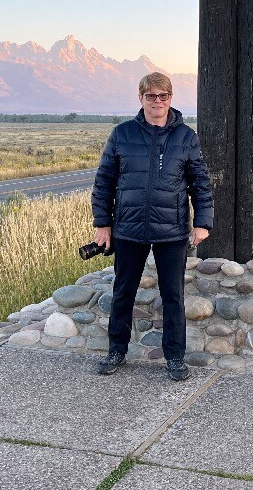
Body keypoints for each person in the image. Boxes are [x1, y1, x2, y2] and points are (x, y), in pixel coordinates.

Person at [91, 72, 213, 381]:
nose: (157, 101)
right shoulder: (122, 134)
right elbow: (103, 182)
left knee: (173, 296)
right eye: (150, 96)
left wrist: (202, 223)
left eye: (162, 96)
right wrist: (102, 224)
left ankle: (175, 357)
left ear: (171, 98)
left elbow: (200, 183)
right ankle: (116, 350)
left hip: (171, 231)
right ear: (141, 98)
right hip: (128, 229)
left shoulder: (186, 137)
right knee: (123, 292)